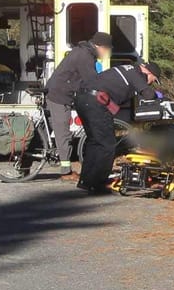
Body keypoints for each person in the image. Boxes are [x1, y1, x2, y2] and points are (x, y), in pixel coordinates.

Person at [74, 61, 162, 193]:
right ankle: (99, 183)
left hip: (83, 98)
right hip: (95, 101)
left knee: (95, 142)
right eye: (153, 80)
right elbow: (147, 93)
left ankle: (86, 182)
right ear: (149, 73)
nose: (150, 83)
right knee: (107, 144)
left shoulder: (127, 69)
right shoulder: (136, 72)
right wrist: (158, 97)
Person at [47, 32, 112, 179]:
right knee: (63, 133)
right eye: (107, 49)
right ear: (100, 46)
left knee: (62, 130)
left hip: (64, 93)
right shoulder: (84, 56)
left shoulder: (85, 52)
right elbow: (92, 80)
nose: (107, 53)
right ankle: (65, 171)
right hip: (59, 95)